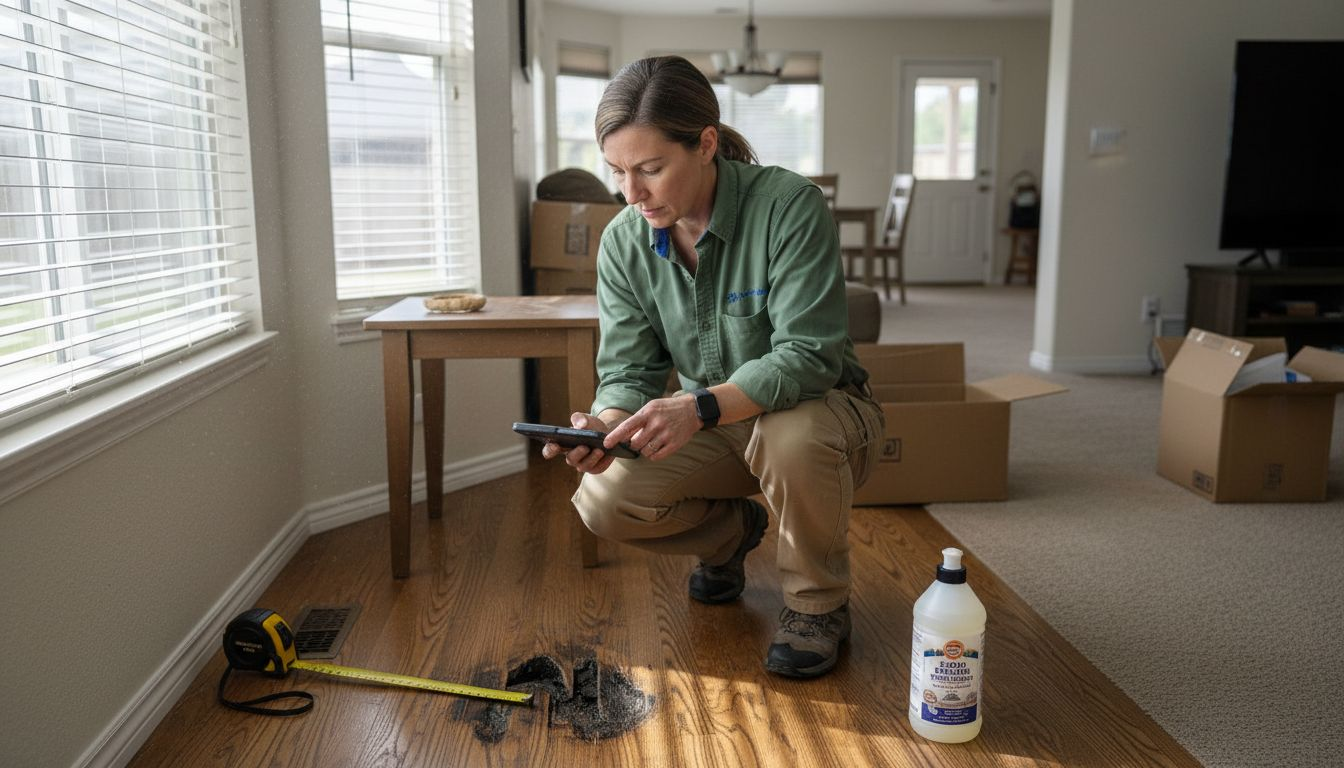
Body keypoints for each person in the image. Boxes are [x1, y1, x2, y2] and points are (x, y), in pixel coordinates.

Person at [540, 55, 885, 679]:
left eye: (650, 169)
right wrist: (607, 424)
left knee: (790, 431)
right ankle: (732, 535)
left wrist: (697, 407)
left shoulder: (789, 206)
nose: (632, 193)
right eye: (617, 171)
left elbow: (810, 355)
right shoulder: (623, 241)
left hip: (824, 415)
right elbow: (627, 368)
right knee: (602, 500)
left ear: (705, 144)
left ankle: (816, 605)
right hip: (717, 422)